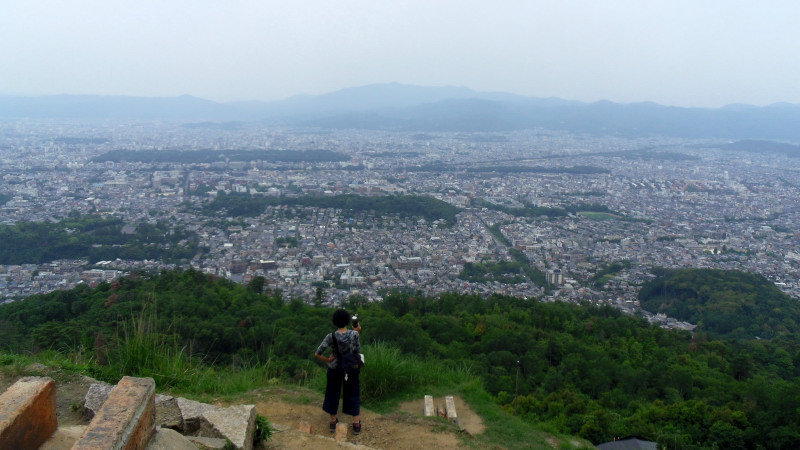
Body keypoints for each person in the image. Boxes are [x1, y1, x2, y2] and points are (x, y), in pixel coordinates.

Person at [314, 308, 363, 434]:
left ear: (335, 322)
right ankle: (356, 424)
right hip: (350, 368)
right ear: (347, 321)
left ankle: (333, 421)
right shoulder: (354, 334)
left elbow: (317, 353)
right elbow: (357, 350)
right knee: (353, 393)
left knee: (332, 393)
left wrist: (328, 360)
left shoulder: (331, 336)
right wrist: (357, 332)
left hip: (335, 368)